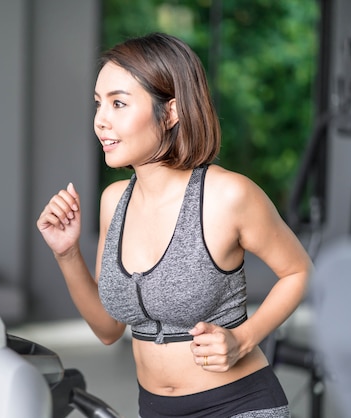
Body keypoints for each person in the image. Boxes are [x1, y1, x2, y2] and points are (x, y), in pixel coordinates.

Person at [36, 32, 312, 418]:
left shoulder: (227, 195)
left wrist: (244, 338)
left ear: (171, 112)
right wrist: (66, 253)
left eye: (118, 103)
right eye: (98, 104)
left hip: (239, 406)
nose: (101, 120)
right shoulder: (114, 200)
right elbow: (108, 329)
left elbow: (299, 271)